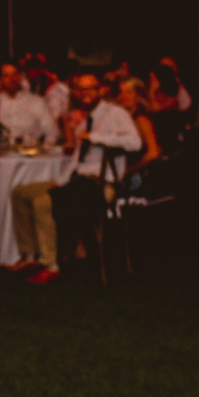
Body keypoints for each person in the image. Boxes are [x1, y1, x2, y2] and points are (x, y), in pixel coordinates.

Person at [49, 71, 142, 266]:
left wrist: (96, 137)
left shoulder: (115, 113)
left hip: (102, 183)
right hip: (79, 180)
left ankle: (58, 259)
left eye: (89, 88)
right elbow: (76, 159)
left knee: (57, 200)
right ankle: (38, 256)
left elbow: (135, 143)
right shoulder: (84, 119)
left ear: (99, 90)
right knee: (24, 194)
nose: (84, 93)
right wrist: (61, 181)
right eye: (80, 89)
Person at [0, 61, 57, 147]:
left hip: (31, 156)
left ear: (20, 76)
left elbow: (52, 132)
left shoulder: (36, 101)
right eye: (7, 76)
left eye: (15, 74)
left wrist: (44, 148)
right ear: (0, 79)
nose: (12, 79)